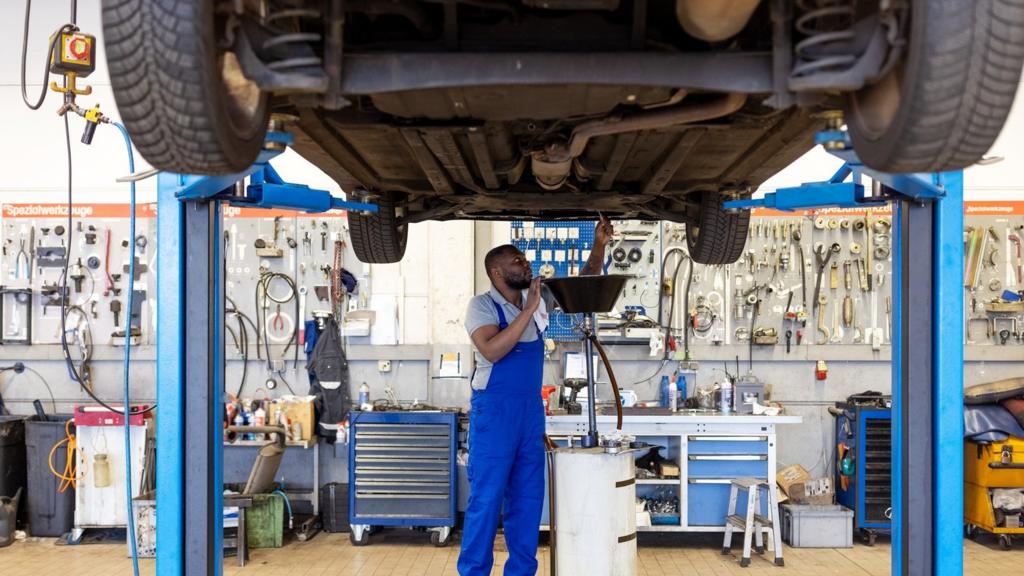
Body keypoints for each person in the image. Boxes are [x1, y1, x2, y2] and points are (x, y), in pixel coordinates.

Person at [458, 217, 614, 576]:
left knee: (528, 501)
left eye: (524, 259)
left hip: (529, 414)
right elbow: (492, 350)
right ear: (497, 273)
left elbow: (582, 281)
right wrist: (528, 309)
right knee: (486, 501)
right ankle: (473, 572)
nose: (525, 263)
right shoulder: (481, 306)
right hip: (495, 415)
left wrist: (600, 246)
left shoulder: (538, 297)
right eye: (516, 261)